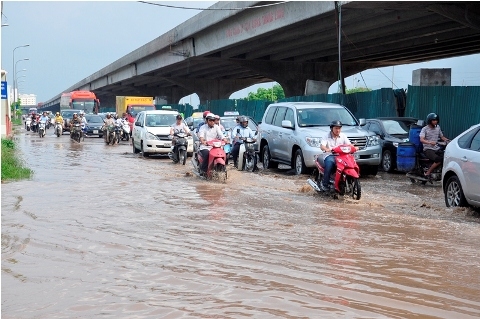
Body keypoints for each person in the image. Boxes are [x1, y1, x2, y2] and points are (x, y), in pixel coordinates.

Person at [318, 120, 358, 191]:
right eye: (336, 128)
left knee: (350, 163)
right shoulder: (326, 136)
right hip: (330, 155)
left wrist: (354, 148)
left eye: (339, 128)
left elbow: (349, 144)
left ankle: (344, 181)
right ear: (331, 128)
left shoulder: (343, 136)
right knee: (329, 165)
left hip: (341, 156)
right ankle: (325, 184)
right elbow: (322, 146)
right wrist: (326, 149)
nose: (338, 130)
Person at [419, 113, 449, 179]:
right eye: (434, 120)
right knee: (438, 159)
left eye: (436, 120)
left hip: (436, 148)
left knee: (447, 157)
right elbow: (421, 139)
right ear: (430, 121)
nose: (436, 121)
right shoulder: (425, 129)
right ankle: (428, 173)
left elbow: (442, 137)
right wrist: (429, 142)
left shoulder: (438, 127)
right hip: (428, 149)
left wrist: (448, 140)